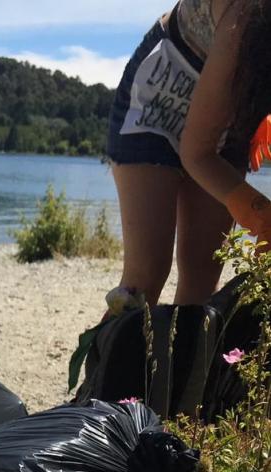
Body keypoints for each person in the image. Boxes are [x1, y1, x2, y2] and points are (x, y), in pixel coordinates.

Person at [105, 0, 271, 313]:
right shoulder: (247, 16)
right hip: (162, 91)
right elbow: (197, 154)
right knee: (145, 274)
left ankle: (184, 363)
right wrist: (258, 211)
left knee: (204, 272)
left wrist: (260, 111)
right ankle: (112, 361)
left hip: (232, 109)